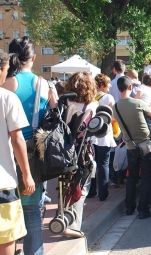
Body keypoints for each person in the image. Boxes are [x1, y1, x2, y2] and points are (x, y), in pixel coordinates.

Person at [3, 36, 58, 255]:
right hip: (33, 155)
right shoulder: (42, 84)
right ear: (33, 58)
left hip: (7, 154)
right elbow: (54, 112)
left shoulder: (6, 83)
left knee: (5, 215)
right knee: (32, 213)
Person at [0, 49, 35, 255]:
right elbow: (17, 138)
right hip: (3, 181)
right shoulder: (7, 98)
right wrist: (27, 174)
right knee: (6, 240)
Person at [112, 76, 151, 219]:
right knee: (145, 177)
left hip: (130, 146)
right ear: (130, 87)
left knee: (131, 177)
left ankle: (129, 207)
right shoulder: (138, 103)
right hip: (145, 145)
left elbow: (114, 120)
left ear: (119, 89)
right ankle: (143, 210)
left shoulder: (115, 107)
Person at [63, 71, 99, 237]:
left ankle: (62, 219)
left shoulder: (63, 102)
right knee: (81, 189)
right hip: (82, 153)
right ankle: (74, 225)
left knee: (63, 187)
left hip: (62, 150)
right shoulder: (91, 106)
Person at [88, 74, 117, 199]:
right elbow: (113, 117)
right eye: (108, 83)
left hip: (91, 134)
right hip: (104, 134)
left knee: (91, 163)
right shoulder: (108, 98)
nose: (110, 86)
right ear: (102, 85)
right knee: (103, 163)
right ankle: (103, 193)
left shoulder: (90, 96)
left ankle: (91, 190)